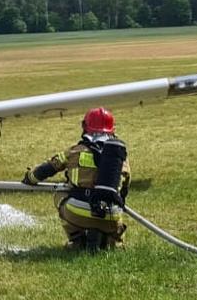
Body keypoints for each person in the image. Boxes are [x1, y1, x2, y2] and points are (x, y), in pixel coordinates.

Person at [23, 107, 130, 251]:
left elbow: (47, 169)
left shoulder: (75, 151)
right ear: (112, 129)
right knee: (116, 217)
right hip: (111, 215)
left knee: (59, 195)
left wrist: (30, 177)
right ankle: (115, 243)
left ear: (85, 126)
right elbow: (124, 190)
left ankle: (76, 240)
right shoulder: (119, 156)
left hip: (79, 212)